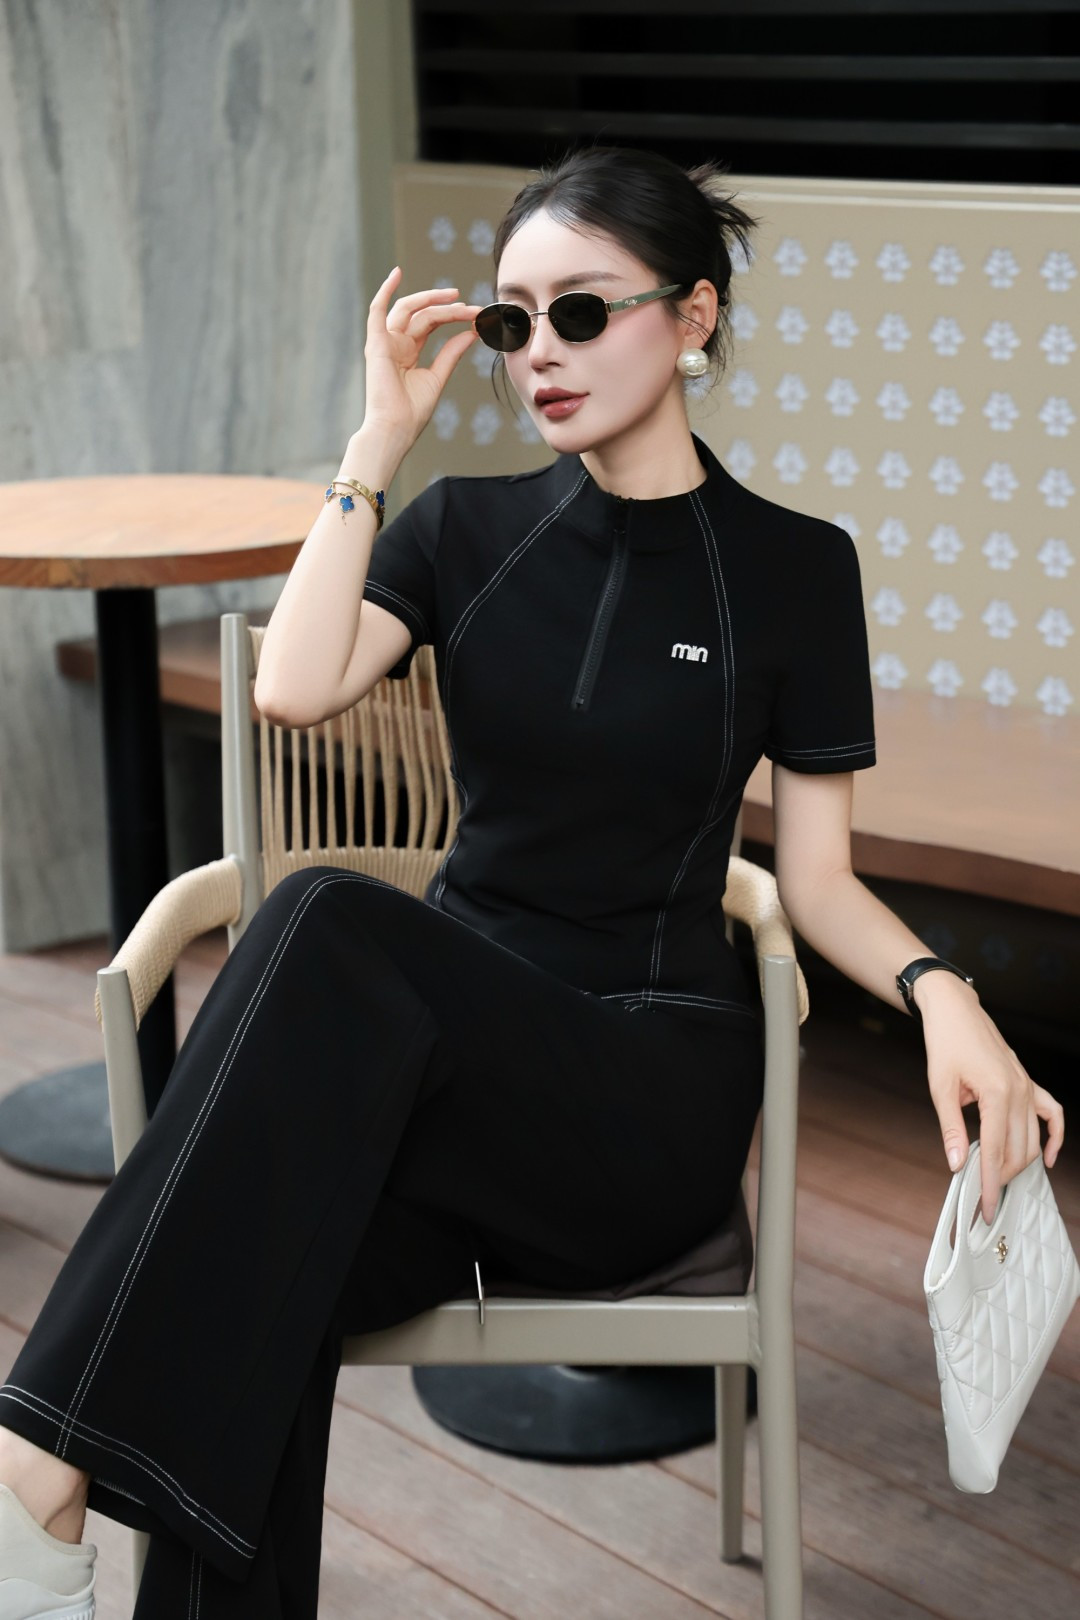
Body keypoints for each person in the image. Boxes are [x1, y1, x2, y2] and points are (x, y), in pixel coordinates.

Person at [0, 145, 1065, 1619]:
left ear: (693, 317)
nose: (538, 355)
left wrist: (947, 997)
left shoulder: (796, 570)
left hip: (640, 1096)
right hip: (445, 1092)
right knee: (248, 1278)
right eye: (512, 321)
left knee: (317, 917)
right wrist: (377, 440)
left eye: (581, 312)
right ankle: (63, 1513)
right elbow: (293, 688)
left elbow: (816, 882)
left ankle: (28, 1477)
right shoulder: (461, 530)